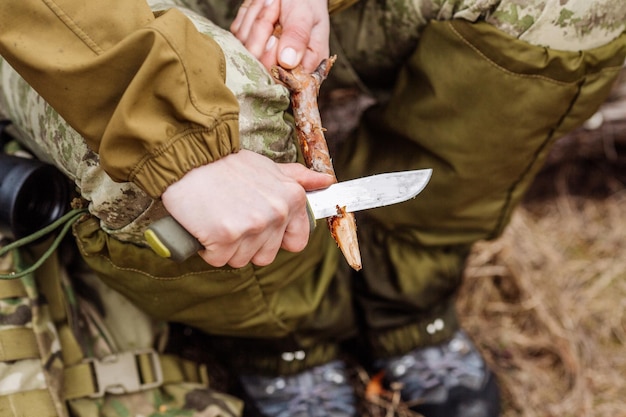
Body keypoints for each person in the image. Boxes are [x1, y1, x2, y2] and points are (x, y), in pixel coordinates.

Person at [0, 0, 625, 416]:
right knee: (215, 115)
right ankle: (285, 340)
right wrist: (175, 142)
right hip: (63, 31)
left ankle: (407, 293)